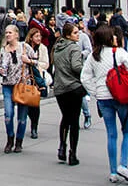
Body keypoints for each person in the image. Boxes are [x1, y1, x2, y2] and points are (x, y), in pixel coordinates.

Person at [82, 25, 128, 184]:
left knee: (111, 134)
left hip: (103, 97)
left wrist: (95, 91)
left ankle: (113, 171)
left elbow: (85, 77)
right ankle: (123, 165)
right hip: (120, 96)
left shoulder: (93, 56)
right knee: (127, 131)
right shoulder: (118, 52)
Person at [0, 23, 34, 153]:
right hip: (8, 85)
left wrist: (28, 60)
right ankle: (10, 138)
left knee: (22, 117)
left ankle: (19, 141)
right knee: (8, 114)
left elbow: (38, 62)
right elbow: (0, 65)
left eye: (10, 32)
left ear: (16, 34)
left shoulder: (25, 47)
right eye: (6, 32)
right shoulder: (3, 50)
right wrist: (1, 70)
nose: (7, 35)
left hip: (22, 86)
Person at [52, 21, 85, 166]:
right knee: (74, 121)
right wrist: (86, 71)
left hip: (60, 87)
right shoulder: (74, 48)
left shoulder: (57, 47)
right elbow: (76, 66)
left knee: (65, 118)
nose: (78, 35)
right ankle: (73, 153)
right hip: (73, 87)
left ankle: (62, 146)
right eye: (75, 33)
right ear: (68, 35)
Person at [25, 26, 50, 140]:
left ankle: (34, 126)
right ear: (31, 37)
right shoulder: (24, 48)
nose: (39, 38)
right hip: (26, 79)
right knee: (26, 105)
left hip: (37, 79)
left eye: (39, 36)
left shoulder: (43, 48)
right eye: (36, 36)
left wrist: (32, 62)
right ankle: (30, 120)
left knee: (35, 105)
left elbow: (46, 64)